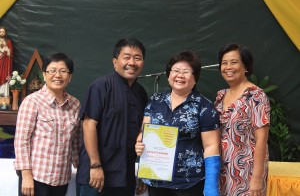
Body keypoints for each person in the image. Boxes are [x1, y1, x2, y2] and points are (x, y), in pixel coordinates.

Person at [135, 51, 221, 196]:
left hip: (189, 183)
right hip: (156, 179)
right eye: (176, 71)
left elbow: (211, 146)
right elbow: (143, 133)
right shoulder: (155, 101)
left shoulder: (204, 106)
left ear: (195, 78)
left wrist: (211, 186)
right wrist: (139, 144)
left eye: (186, 72)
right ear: (169, 75)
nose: (180, 75)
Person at [76, 38, 148, 196]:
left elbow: (142, 135)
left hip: (125, 176)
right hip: (96, 175)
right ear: (115, 62)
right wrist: (95, 166)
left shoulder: (141, 93)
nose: (132, 62)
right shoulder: (100, 86)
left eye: (137, 58)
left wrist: (143, 173)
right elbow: (88, 125)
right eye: (127, 57)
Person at [14, 53, 81, 196]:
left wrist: (81, 167)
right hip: (35, 178)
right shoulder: (32, 102)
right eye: (52, 71)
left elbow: (75, 141)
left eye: (63, 71)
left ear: (70, 77)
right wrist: (25, 175)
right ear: (44, 75)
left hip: (61, 179)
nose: (58, 75)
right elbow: (21, 141)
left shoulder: (75, 104)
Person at [214, 43, 270, 196]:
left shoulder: (256, 96)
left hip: (246, 176)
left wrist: (257, 179)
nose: (228, 67)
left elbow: (261, 139)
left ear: (245, 66)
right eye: (224, 63)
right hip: (221, 173)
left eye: (234, 62)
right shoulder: (220, 96)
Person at [0, 26, 13, 97]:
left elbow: (10, 53)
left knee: (4, 76)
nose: (1, 33)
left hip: (4, 63)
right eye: (0, 32)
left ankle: (4, 95)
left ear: (5, 33)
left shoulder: (8, 41)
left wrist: (6, 50)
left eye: (3, 32)